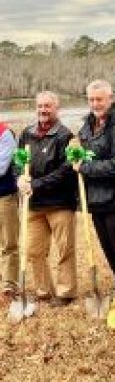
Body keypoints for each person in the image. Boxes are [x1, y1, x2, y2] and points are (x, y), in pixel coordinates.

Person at [74, 80, 115, 300]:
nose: (95, 104)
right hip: (96, 198)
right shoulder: (87, 125)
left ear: (110, 99)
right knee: (108, 248)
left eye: (99, 99)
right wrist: (75, 156)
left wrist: (86, 167)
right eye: (91, 99)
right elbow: (83, 153)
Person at [17, 91, 77, 307]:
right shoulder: (26, 133)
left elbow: (66, 170)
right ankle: (43, 291)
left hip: (60, 202)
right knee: (34, 251)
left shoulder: (65, 135)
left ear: (56, 108)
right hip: (33, 205)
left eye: (48, 106)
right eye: (40, 106)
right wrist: (19, 179)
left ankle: (66, 292)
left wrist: (36, 184)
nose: (43, 110)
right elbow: (19, 161)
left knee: (64, 249)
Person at [0, 121, 19, 303]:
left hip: (4, 196)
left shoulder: (5, 133)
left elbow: (2, 166)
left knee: (8, 243)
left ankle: (9, 285)